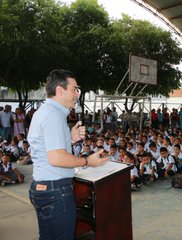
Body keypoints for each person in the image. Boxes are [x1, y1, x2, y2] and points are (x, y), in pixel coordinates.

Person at [28, 69, 108, 240]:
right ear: (59, 90)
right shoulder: (53, 115)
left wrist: (70, 139)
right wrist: (87, 161)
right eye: (74, 89)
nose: (77, 94)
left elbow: (48, 149)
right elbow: (56, 158)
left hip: (44, 187)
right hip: (55, 190)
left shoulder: (44, 112)